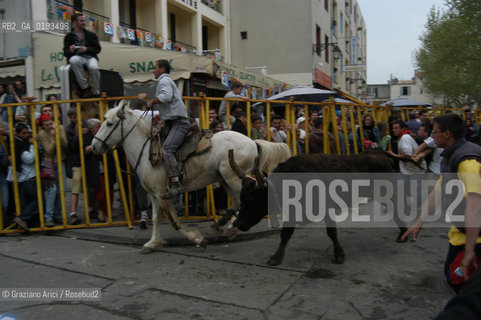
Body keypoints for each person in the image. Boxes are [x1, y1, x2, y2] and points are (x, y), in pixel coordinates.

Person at [402, 113, 481, 293]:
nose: (431, 136)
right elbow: (437, 192)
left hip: (475, 238)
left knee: (460, 278)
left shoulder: (467, 161)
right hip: (461, 233)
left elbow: (475, 205)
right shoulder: (450, 156)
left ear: (446, 134)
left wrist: (470, 250)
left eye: (434, 132)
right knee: (456, 277)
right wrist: (419, 222)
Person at [147, 59, 190, 199]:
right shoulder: (166, 80)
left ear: (162, 69)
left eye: (155, 68)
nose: (153, 70)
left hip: (179, 123)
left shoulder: (163, 80)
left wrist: (153, 101)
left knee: (166, 149)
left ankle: (176, 184)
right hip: (173, 122)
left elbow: (166, 97)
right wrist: (161, 115)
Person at [37, 114, 68, 227]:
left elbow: (65, 144)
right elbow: (49, 151)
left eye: (51, 123)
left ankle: (58, 215)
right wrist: (54, 139)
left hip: (60, 160)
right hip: (49, 163)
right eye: (47, 125)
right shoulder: (42, 134)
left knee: (62, 190)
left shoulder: (59, 128)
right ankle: (48, 217)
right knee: (52, 190)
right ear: (43, 126)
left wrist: (58, 134)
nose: (50, 126)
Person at [63, 12, 101, 98]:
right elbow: (65, 53)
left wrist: (87, 49)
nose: (84, 23)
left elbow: (98, 49)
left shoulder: (91, 35)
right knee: (73, 60)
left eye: (84, 21)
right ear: (75, 22)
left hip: (90, 57)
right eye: (81, 21)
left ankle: (96, 91)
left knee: (94, 67)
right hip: (77, 57)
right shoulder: (68, 37)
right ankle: (85, 87)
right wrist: (70, 50)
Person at [12, 123, 38, 232]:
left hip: (24, 177)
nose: (27, 135)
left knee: (27, 203)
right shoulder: (20, 144)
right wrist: (33, 145)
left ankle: (25, 222)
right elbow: (29, 159)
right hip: (27, 177)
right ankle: (21, 219)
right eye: (24, 133)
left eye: (28, 132)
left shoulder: (22, 142)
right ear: (17, 133)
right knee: (38, 201)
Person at [66, 107, 88, 225]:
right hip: (76, 162)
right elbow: (72, 147)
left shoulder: (86, 124)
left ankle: (91, 209)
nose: (76, 119)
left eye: (77, 116)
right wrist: (77, 134)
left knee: (90, 186)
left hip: (87, 160)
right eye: (73, 117)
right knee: (76, 187)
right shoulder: (69, 129)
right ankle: (73, 212)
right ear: (70, 118)